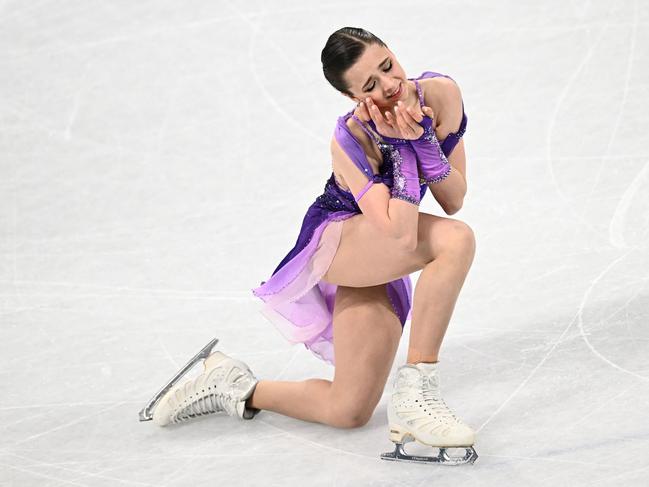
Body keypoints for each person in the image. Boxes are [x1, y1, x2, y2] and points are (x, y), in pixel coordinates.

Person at [140, 26, 477, 465]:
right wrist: (399, 150)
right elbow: (400, 235)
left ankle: (233, 384)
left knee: (349, 409)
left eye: (387, 66)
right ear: (353, 96)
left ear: (393, 52)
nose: (390, 86)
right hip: (340, 242)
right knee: (457, 241)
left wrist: (426, 144)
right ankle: (417, 394)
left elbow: (453, 199)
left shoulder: (441, 94)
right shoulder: (350, 138)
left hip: (380, 251)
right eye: (371, 85)